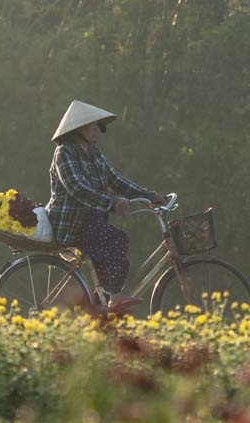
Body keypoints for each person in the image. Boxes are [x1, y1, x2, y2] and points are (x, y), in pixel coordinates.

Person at [46, 100, 166, 315]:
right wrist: (111, 203)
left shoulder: (93, 152)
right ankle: (114, 298)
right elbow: (77, 188)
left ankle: (100, 303)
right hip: (72, 224)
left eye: (96, 126)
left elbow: (115, 180)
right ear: (77, 129)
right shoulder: (64, 153)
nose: (96, 131)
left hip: (92, 221)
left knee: (117, 253)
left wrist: (149, 195)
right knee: (117, 239)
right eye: (91, 126)